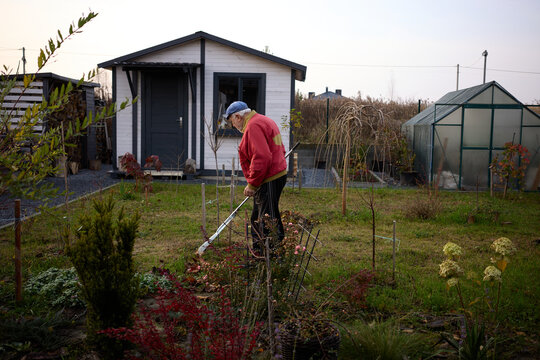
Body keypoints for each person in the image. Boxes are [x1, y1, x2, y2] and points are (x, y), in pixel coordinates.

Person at [224, 101, 287, 253]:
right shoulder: (264, 120)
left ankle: (268, 257)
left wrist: (252, 184)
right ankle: (265, 252)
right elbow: (280, 149)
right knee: (262, 216)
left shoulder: (253, 126)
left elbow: (262, 157)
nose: (233, 125)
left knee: (266, 220)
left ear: (238, 116)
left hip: (268, 179)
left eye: (232, 121)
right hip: (274, 176)